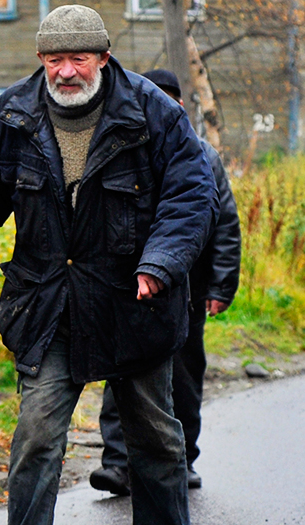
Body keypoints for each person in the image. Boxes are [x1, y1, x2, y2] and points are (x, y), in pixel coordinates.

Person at [0, 5, 215, 525]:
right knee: (36, 440)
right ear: (41, 61)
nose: (67, 70)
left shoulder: (153, 114)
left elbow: (191, 193)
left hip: (135, 302)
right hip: (49, 303)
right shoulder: (11, 115)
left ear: (103, 58)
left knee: (155, 438)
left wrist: (158, 264)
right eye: (56, 59)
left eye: (79, 58)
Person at [90, 68, 242, 496]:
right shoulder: (121, 145)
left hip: (185, 291)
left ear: (179, 105)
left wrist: (219, 287)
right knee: (118, 374)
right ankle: (118, 465)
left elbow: (225, 227)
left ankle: (183, 461)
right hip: (125, 287)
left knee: (183, 379)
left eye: (170, 99)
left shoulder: (204, 157)